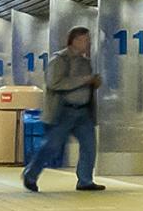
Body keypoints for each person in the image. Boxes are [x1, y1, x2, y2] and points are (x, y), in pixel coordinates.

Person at [28, 26, 106, 192]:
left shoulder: (86, 62)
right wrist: (84, 80)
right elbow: (54, 83)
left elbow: (86, 83)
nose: (89, 43)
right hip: (63, 111)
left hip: (84, 111)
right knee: (52, 146)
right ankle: (31, 174)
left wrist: (94, 83)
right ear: (75, 40)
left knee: (89, 145)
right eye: (86, 40)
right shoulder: (59, 60)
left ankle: (85, 180)